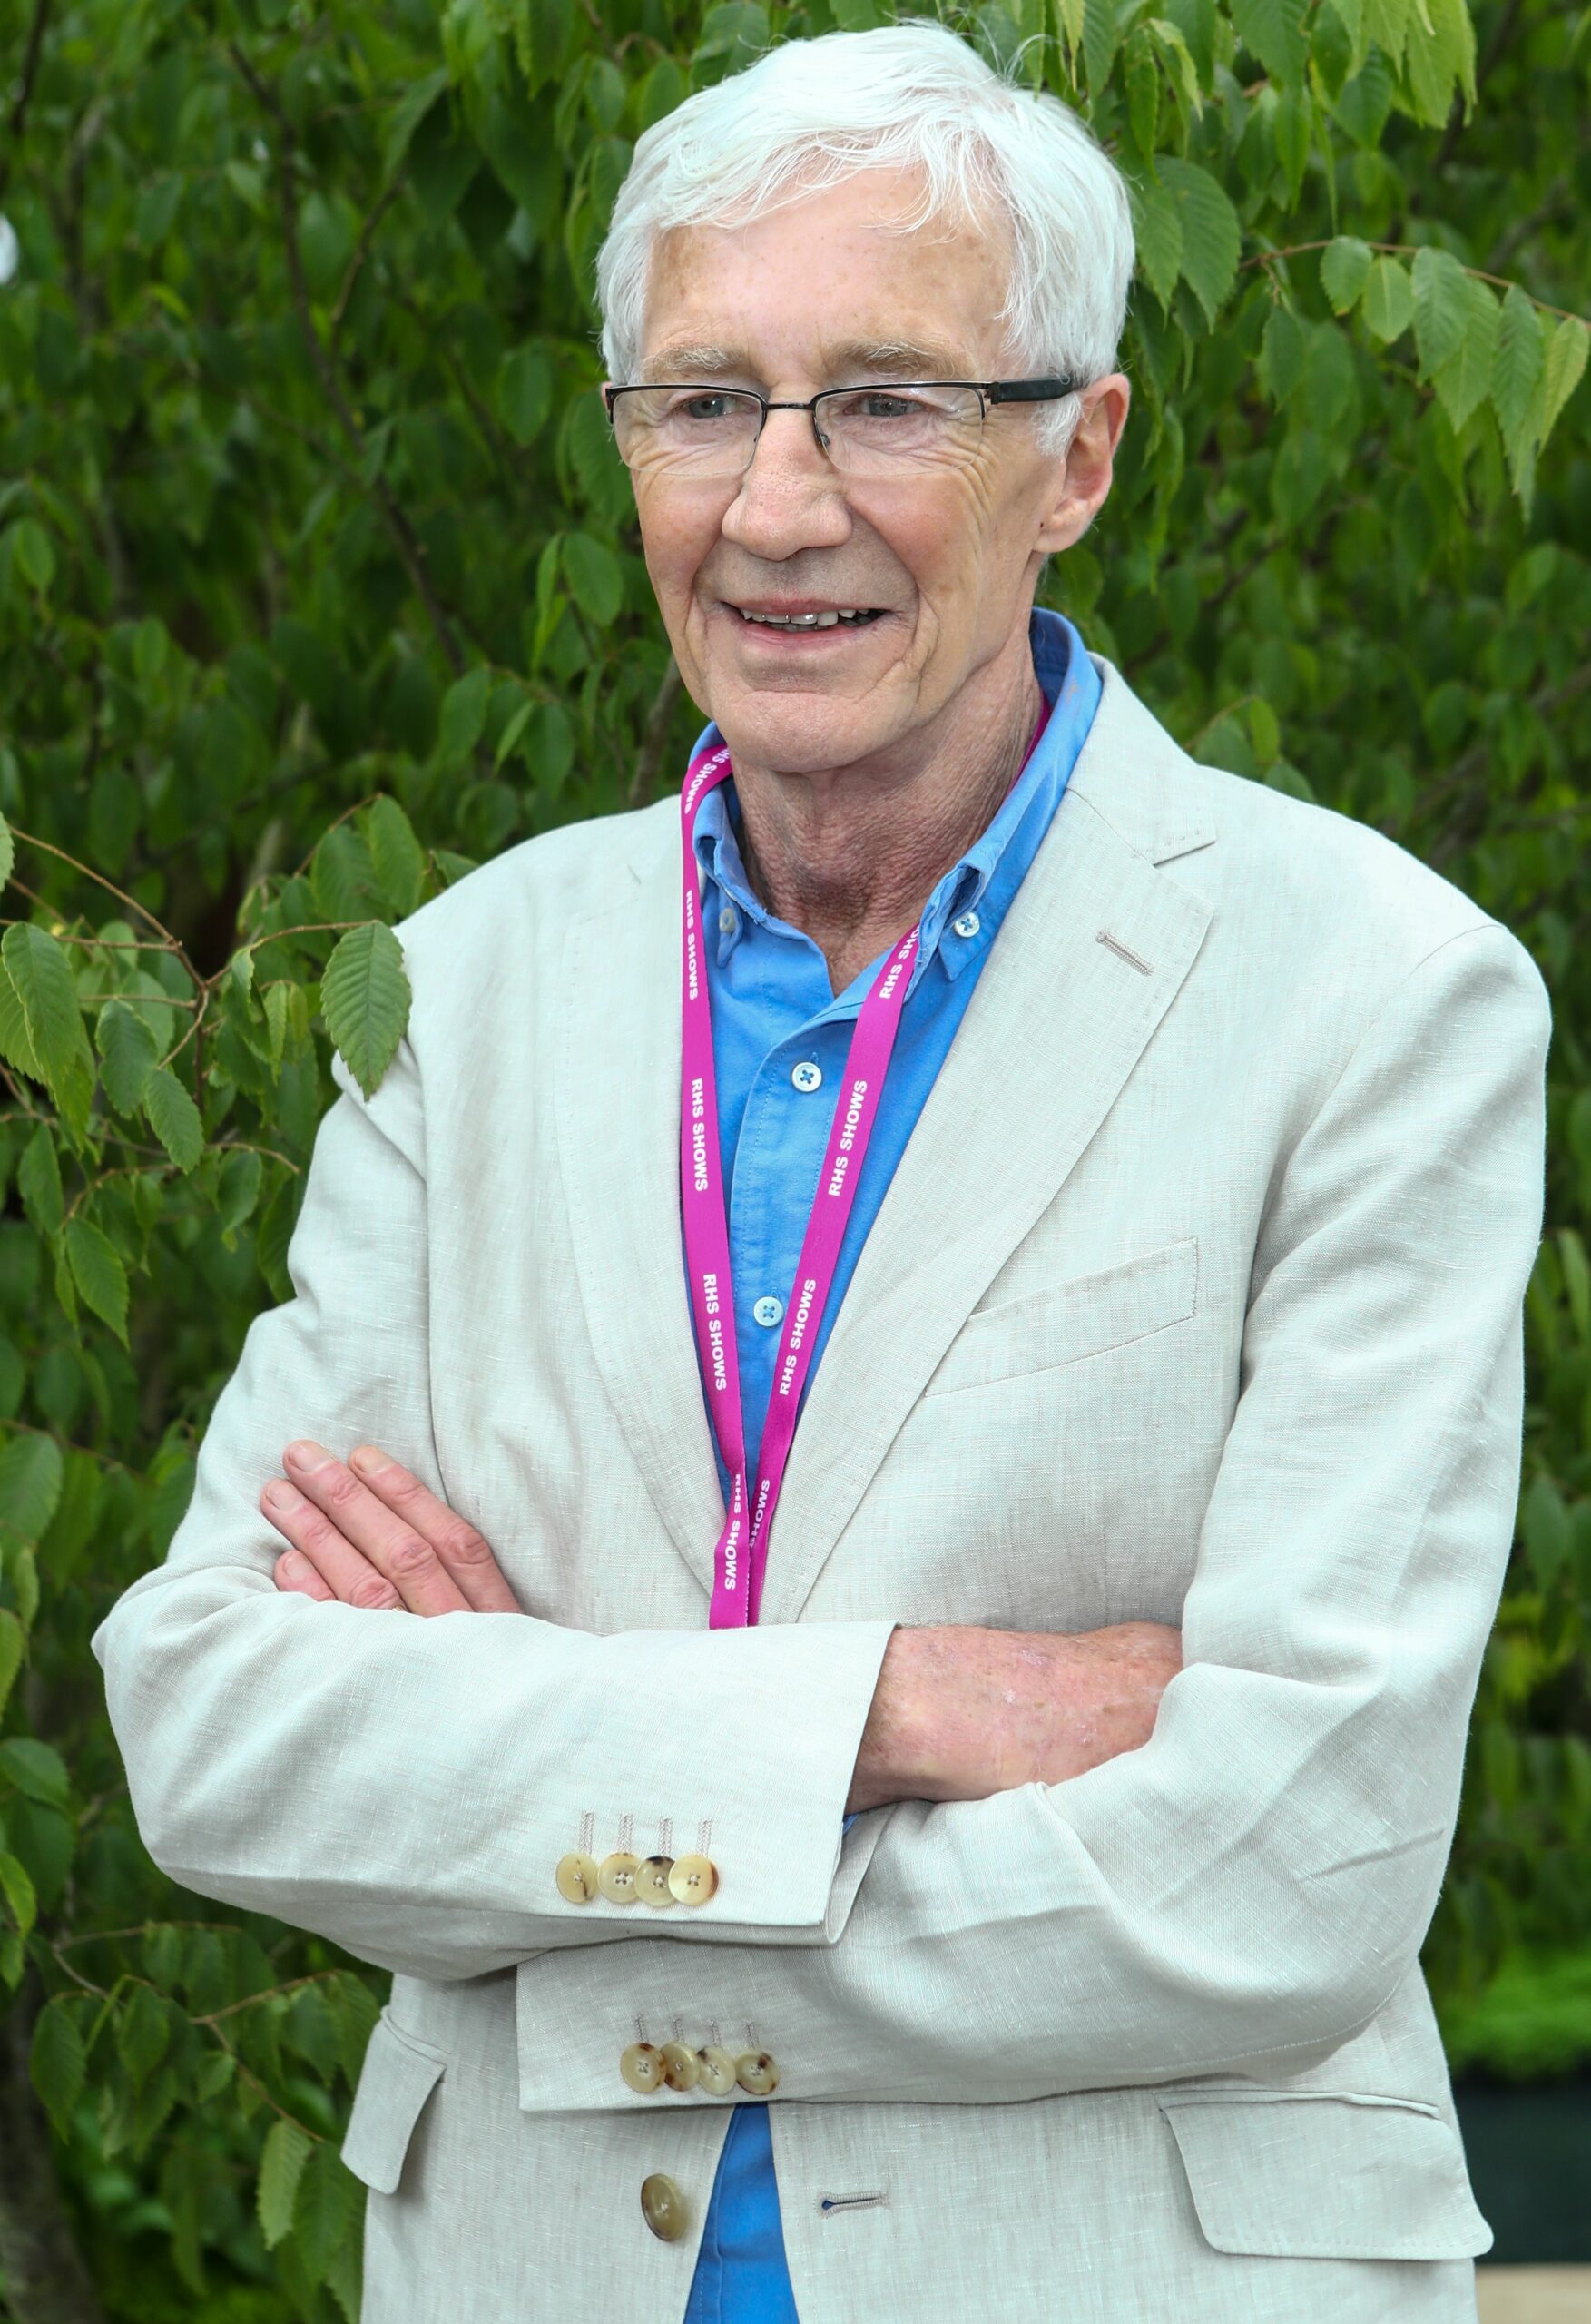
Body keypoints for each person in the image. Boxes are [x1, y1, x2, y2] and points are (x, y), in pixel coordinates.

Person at [95, 24, 1549, 2323]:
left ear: (1077, 454)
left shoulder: (1375, 992)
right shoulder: (455, 991)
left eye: (889, 400)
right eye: (702, 402)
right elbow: (217, 1724)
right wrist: (895, 1710)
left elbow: (1292, 1862)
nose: (777, 505)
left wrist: (559, 1854)